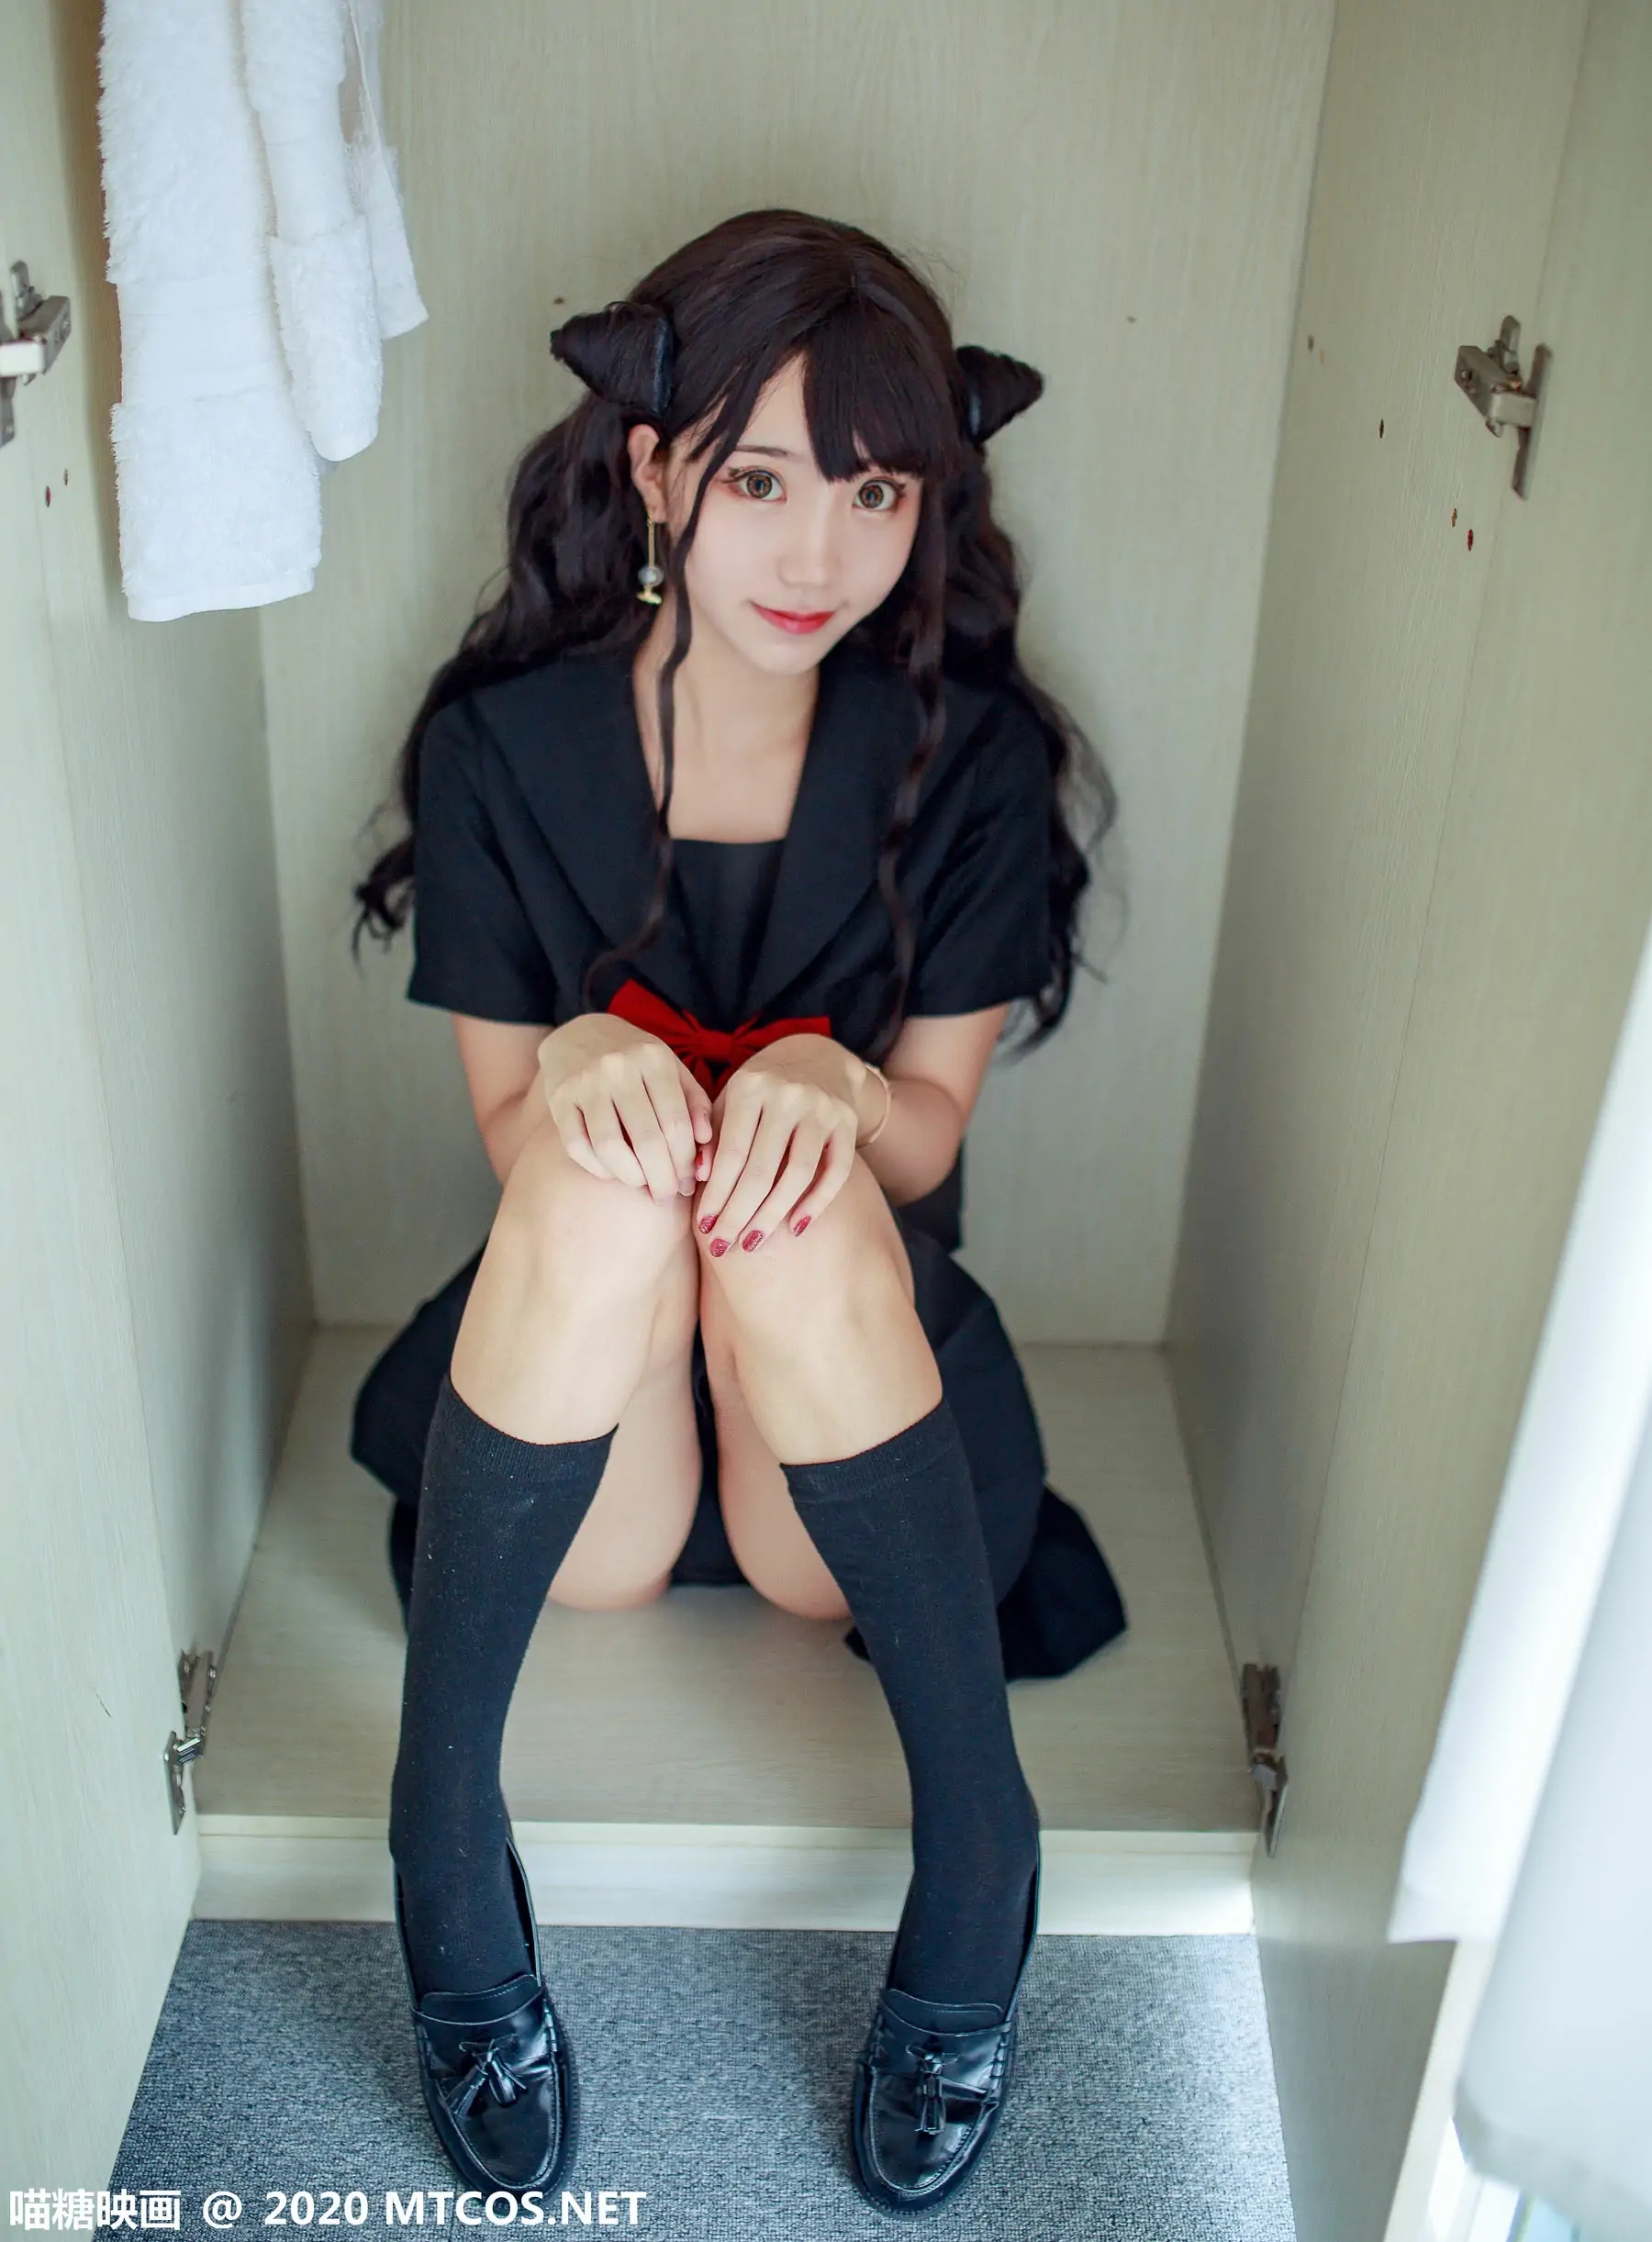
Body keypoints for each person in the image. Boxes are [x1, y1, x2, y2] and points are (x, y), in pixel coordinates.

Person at [348, 206, 1126, 2217]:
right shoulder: (498, 747)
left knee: (785, 1200)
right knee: (603, 1164)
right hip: (593, 1444)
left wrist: (842, 1088)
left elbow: (928, 1136)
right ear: (651, 469)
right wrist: (582, 1066)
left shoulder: (967, 752)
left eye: (877, 493)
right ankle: (442, 1838)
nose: (819, 552)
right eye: (762, 481)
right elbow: (514, 1135)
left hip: (832, 1450)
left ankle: (981, 1845)